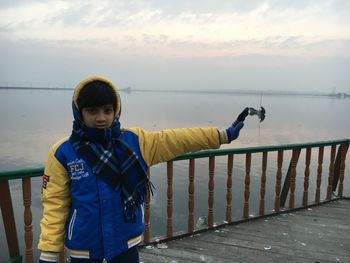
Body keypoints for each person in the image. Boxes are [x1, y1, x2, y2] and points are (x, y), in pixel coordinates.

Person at [38, 76, 245, 263]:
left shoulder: (134, 142)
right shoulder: (63, 152)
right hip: (84, 249)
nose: (101, 118)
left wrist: (221, 135)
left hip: (125, 243)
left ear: (115, 111)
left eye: (107, 110)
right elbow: (55, 205)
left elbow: (178, 139)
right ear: (79, 112)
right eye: (92, 111)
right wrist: (49, 253)